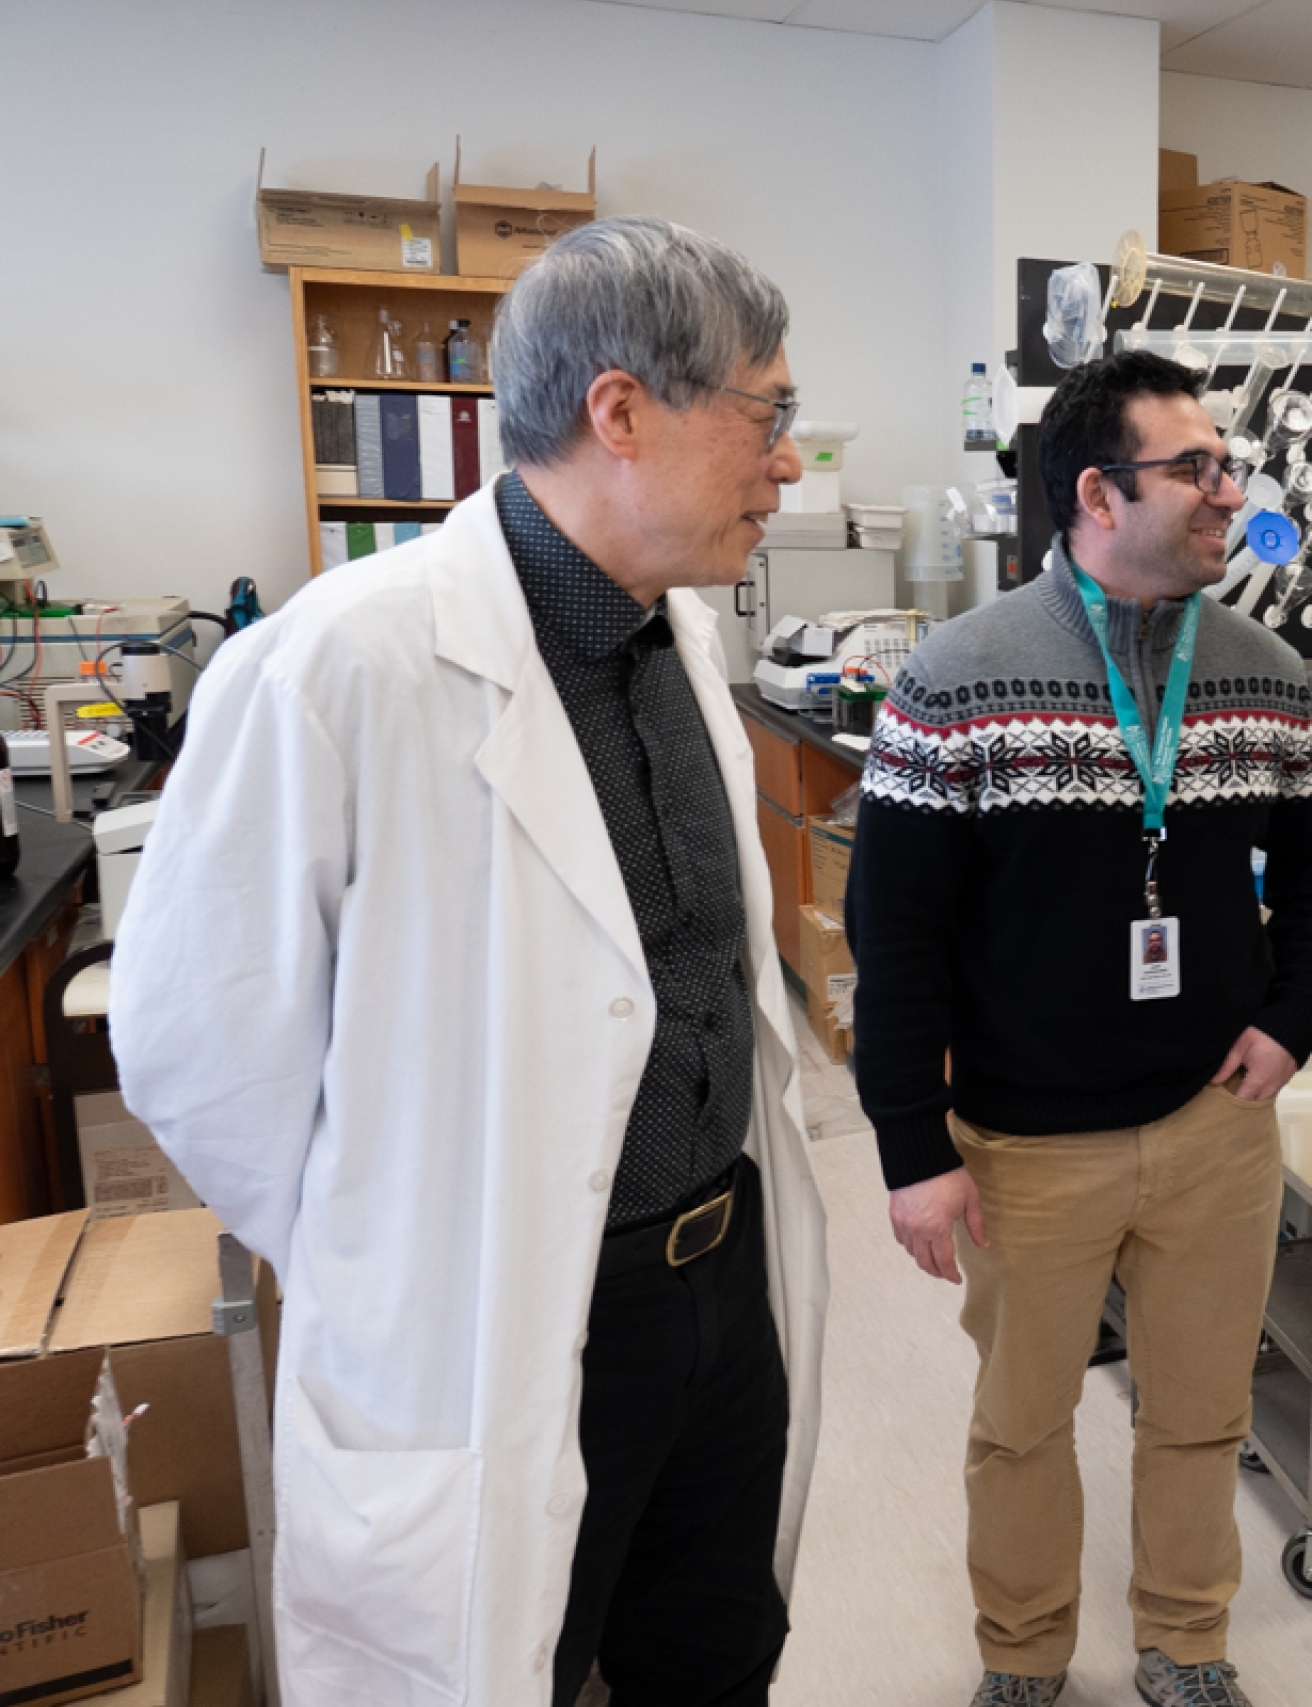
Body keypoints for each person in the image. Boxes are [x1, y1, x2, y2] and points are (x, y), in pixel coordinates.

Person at [110, 218, 831, 1707]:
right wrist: (399, 1257)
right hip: (502, 1310)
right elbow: (195, 1048)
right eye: (769, 415)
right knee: (509, 1660)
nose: (789, 463)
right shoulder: (333, 668)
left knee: (711, 1653)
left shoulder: (681, 641)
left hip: (719, 1281)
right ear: (619, 412)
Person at [849, 349, 1312, 1707]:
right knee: (1022, 1427)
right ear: (1095, 492)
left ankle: (1188, 1641)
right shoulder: (957, 678)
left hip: (1214, 1125)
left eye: (1226, 464)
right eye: (1195, 467)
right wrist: (912, 1144)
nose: (1227, 493)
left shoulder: (1265, 672)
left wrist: (1296, 1016)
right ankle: (1023, 1655)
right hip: (1021, 1139)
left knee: (1202, 1415)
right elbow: (890, 936)